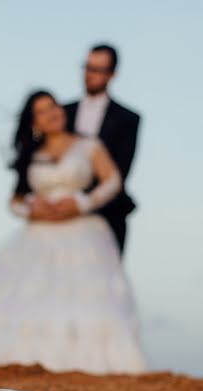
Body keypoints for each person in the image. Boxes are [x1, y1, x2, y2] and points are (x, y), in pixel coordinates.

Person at [0, 91, 147, 374]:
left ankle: (85, 368)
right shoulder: (31, 156)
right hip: (38, 233)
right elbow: (14, 200)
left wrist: (82, 202)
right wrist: (31, 208)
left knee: (84, 300)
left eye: (53, 106)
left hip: (83, 231)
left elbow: (112, 180)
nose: (51, 113)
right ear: (34, 122)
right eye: (42, 111)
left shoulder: (88, 145)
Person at [63, 43, 139, 254]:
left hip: (106, 218)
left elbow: (120, 171)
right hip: (60, 221)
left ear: (112, 74)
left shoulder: (128, 119)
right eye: (86, 67)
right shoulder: (61, 113)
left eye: (97, 70)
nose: (88, 75)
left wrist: (82, 203)